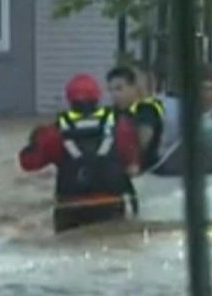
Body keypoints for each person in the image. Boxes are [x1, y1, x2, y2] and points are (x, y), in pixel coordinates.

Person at [18, 74, 140, 233]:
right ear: (98, 97)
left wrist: (34, 139)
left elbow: (28, 163)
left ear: (69, 100)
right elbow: (133, 165)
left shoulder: (53, 133)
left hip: (70, 208)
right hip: (110, 205)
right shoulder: (120, 127)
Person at [106, 66, 166, 171]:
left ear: (134, 88)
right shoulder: (115, 112)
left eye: (119, 89)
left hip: (146, 173)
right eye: (110, 90)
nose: (114, 95)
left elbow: (142, 144)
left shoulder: (147, 110)